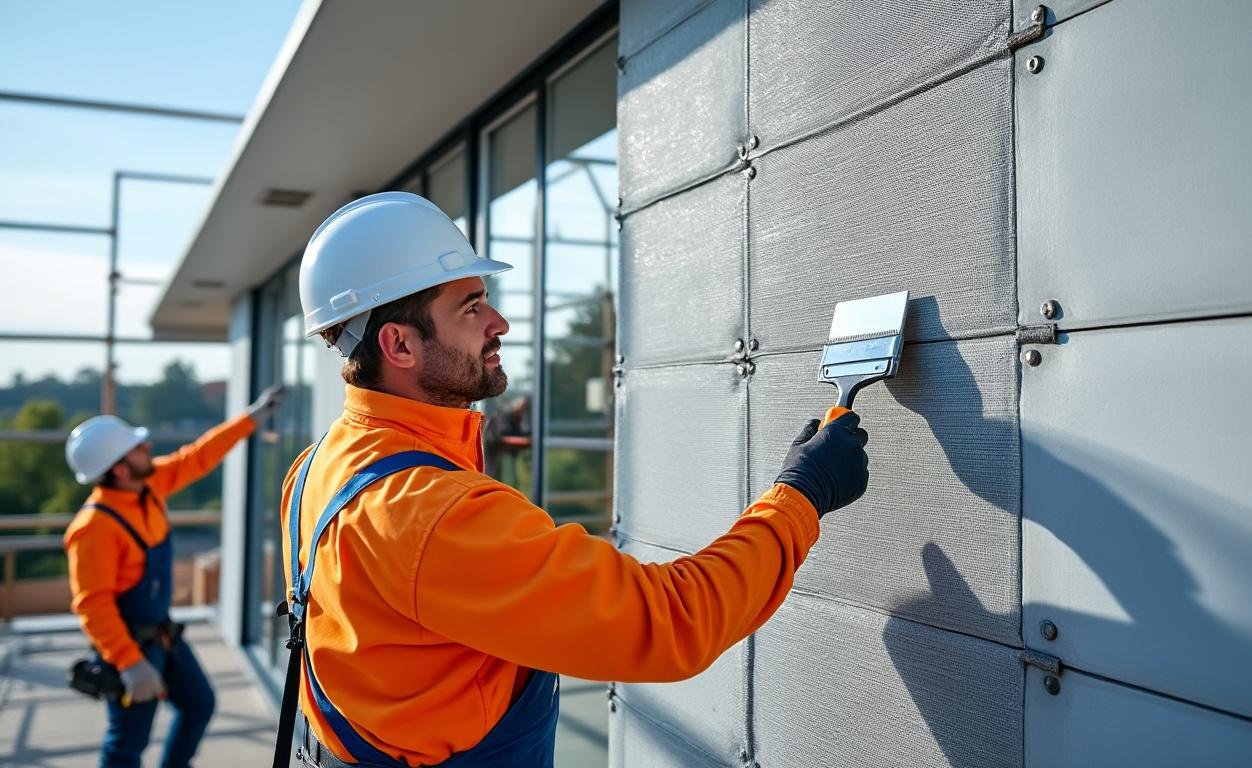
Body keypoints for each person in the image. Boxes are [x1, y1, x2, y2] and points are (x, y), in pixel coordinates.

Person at [277, 192, 869, 767]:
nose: (500, 322)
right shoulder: (431, 513)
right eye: (471, 307)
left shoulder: (315, 468)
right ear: (398, 343)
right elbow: (670, 621)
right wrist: (802, 495)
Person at [64, 385, 284, 768]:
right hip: (128, 647)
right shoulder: (94, 528)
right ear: (119, 469)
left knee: (199, 705)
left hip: (161, 635)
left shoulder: (146, 486)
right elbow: (93, 604)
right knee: (126, 745)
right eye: (137, 448)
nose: (147, 448)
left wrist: (252, 417)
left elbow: (196, 458)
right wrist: (130, 663)